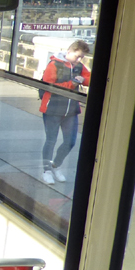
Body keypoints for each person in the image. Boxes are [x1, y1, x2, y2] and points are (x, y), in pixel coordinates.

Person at [39, 40, 91, 184]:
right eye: (77, 56)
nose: (79, 60)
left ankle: (56, 165)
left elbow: (90, 78)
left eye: (82, 57)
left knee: (70, 141)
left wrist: (83, 79)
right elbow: (49, 85)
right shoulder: (54, 64)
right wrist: (72, 83)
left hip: (71, 110)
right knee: (51, 140)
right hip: (53, 108)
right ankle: (47, 170)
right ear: (69, 52)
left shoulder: (79, 67)